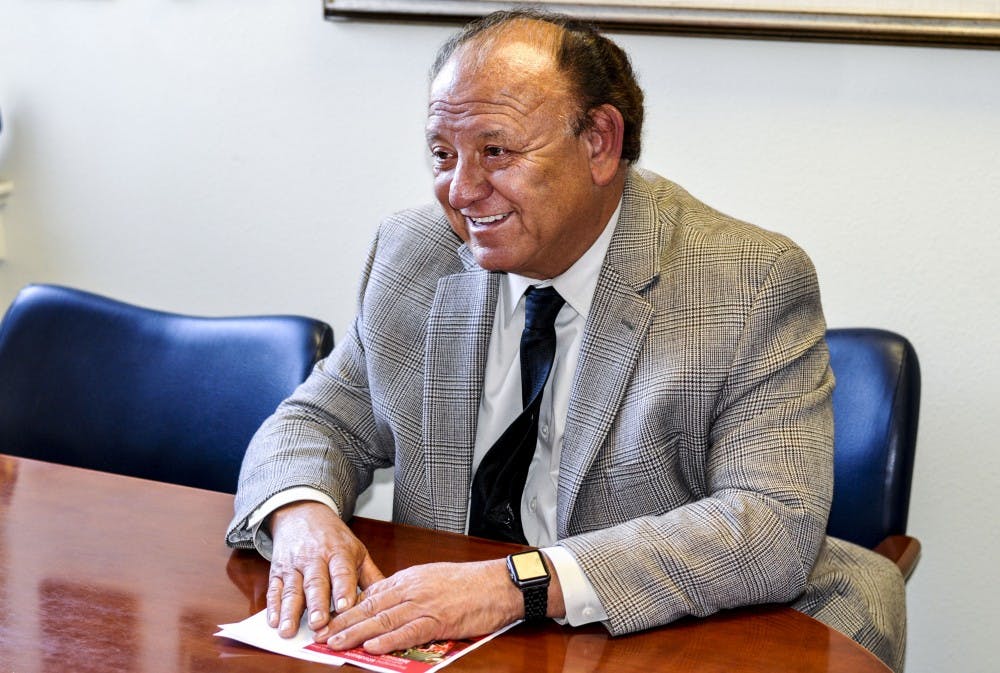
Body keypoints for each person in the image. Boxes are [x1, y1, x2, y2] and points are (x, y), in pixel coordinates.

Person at [227, 9, 906, 672]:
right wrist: (301, 516)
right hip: (458, 645)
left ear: (599, 144)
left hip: (656, 637)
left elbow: (770, 523)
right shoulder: (415, 253)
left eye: (496, 152)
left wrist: (517, 583)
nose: (460, 190)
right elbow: (319, 420)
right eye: (442, 154)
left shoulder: (747, 280)